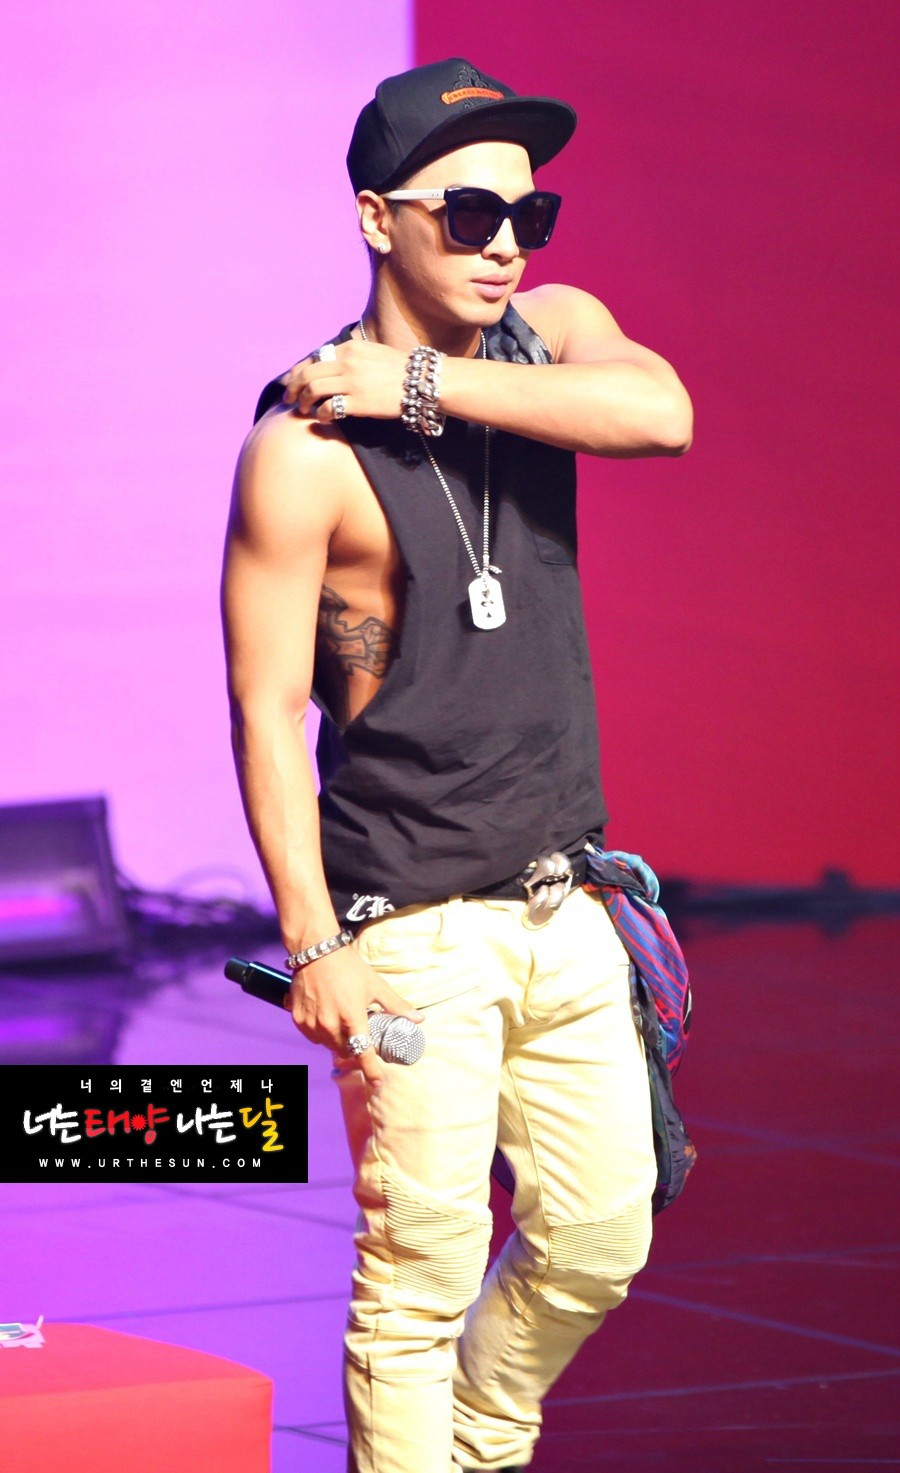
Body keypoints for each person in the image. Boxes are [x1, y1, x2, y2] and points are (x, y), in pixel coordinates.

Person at [222, 56, 692, 1473]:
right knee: (417, 1282)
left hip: (566, 901)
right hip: (411, 926)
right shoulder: (305, 447)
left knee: (602, 1239)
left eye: (527, 216)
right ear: (379, 218)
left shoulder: (546, 338)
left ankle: (477, 1446)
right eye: (468, 215)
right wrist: (315, 941)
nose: (504, 247)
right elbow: (265, 711)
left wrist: (424, 381)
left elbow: (663, 414)